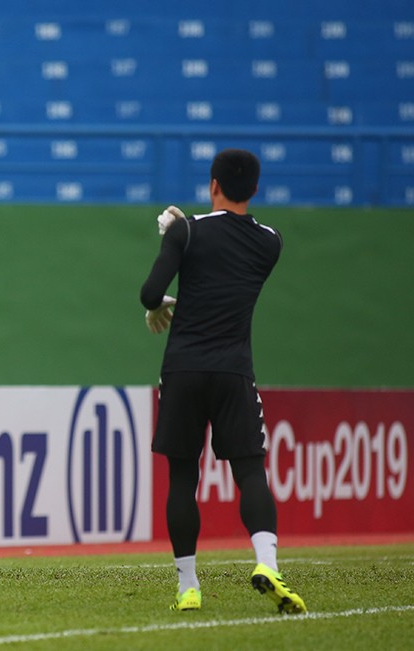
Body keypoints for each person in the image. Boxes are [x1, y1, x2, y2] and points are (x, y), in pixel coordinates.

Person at [139, 149, 306, 614]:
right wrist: (183, 229)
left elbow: (151, 293)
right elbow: (227, 259)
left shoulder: (186, 229)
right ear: (254, 189)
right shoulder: (270, 243)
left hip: (183, 370)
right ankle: (267, 564)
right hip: (233, 370)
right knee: (250, 471)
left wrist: (172, 245)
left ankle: (188, 587)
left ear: (213, 184)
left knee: (182, 476)